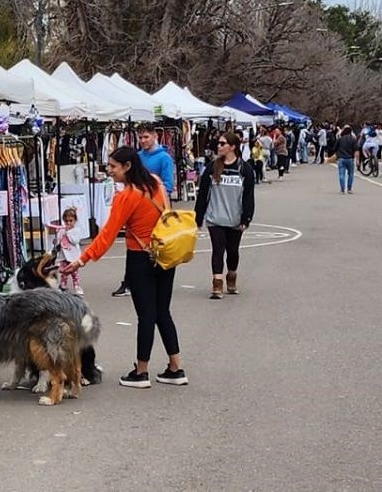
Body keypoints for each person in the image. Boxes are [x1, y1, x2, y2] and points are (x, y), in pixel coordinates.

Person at [62, 146, 187, 389]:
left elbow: (108, 234)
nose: (109, 171)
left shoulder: (127, 195)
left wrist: (81, 259)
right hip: (165, 254)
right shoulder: (156, 183)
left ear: (127, 167)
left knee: (146, 316)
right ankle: (175, 367)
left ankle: (141, 371)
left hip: (140, 258)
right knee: (163, 312)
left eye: (113, 167)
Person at [112, 126, 176, 298]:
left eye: (146, 137)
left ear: (155, 136)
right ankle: (129, 282)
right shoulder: (138, 157)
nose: (143, 141)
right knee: (135, 245)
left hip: (156, 208)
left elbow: (168, 184)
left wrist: (155, 198)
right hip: (137, 206)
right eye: (140, 137)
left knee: (153, 245)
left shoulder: (164, 158)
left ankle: (154, 278)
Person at [194, 132, 255, 299]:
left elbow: (248, 196)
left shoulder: (244, 169)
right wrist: (198, 217)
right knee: (218, 249)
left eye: (222, 144)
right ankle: (217, 284)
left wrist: (246, 217)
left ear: (233, 147)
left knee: (232, 251)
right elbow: (203, 194)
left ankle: (232, 276)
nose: (219, 146)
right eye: (218, 144)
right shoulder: (212, 168)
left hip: (235, 218)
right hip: (215, 217)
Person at [48, 207, 84, 295]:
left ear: (75, 220)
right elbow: (59, 240)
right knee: (64, 271)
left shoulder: (76, 230)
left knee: (74, 273)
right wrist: (56, 241)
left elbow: (75, 241)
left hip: (73, 256)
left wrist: (68, 233)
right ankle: (62, 286)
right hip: (64, 256)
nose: (68, 223)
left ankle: (77, 286)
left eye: (71, 221)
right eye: (66, 221)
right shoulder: (62, 230)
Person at [334, 126, 359, 194]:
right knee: (351, 174)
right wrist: (357, 160)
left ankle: (342, 190)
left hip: (341, 158)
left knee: (342, 174)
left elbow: (334, 149)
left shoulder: (340, 139)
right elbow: (356, 150)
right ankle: (349, 189)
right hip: (350, 159)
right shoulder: (353, 139)